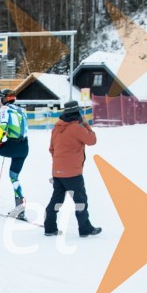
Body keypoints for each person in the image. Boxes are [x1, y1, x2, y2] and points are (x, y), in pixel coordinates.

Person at [44, 101, 102, 237]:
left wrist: (60, 164)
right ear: (77, 113)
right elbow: (92, 140)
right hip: (73, 173)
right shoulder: (77, 127)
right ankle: (85, 229)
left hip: (58, 171)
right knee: (80, 201)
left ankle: (49, 227)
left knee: (56, 200)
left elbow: (51, 149)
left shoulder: (57, 127)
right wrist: (85, 124)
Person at [0, 89, 29, 219]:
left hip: (13, 145)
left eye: (0, 98)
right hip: (24, 147)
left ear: (4, 99)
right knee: (14, 176)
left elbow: (3, 126)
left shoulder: (5, 109)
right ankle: (21, 209)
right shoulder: (21, 110)